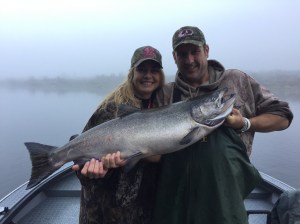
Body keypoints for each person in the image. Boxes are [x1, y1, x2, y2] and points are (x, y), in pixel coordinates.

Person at [150, 26, 294, 224]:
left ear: (206, 50)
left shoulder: (237, 80)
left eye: (195, 52)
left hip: (225, 201)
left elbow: (283, 117)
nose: (190, 60)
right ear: (174, 57)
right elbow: (155, 153)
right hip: (175, 202)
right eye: (183, 54)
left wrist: (245, 123)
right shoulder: (165, 94)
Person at [72, 45, 165, 224]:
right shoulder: (111, 110)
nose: (148, 75)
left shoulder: (162, 106)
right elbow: (81, 166)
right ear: (132, 73)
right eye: (141, 69)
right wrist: (93, 173)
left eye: (154, 70)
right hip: (106, 214)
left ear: (160, 75)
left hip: (143, 211)